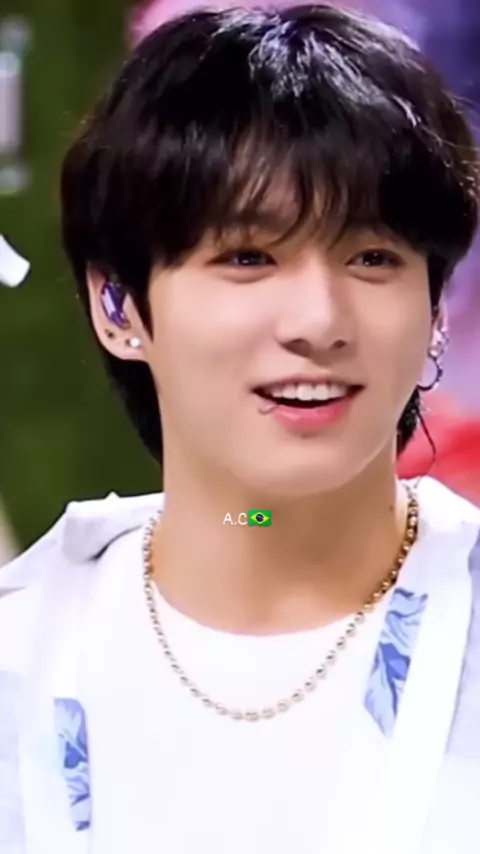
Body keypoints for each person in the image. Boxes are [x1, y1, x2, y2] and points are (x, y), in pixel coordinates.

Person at [1, 5, 479, 852]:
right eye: (248, 258)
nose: (319, 321)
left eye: (372, 258)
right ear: (118, 306)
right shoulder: (26, 655)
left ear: (435, 305)